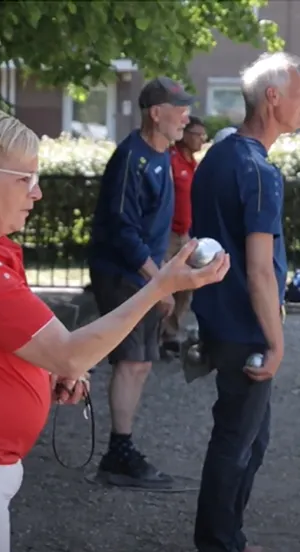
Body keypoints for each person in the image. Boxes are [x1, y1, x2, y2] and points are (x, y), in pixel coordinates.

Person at [0, 107, 229, 552]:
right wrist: (162, 284)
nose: (38, 192)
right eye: (24, 179)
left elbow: (6, 343)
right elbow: (68, 352)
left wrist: (47, 373)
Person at [191, 52, 300, 552]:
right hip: (245, 326)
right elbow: (259, 268)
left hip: (221, 319)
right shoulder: (259, 170)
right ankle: (218, 542)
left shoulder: (220, 155)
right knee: (238, 442)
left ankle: (226, 536)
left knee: (250, 441)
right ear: (273, 97)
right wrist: (276, 343)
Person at [87, 76, 194, 489]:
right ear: (156, 113)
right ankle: (118, 452)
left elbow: (147, 230)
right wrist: (160, 281)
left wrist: (162, 272)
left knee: (143, 362)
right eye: (179, 107)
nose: (186, 114)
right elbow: (123, 231)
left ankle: (122, 447)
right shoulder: (132, 158)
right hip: (122, 274)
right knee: (132, 361)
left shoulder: (161, 154)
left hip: (141, 273)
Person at [160, 115, 207, 354]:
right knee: (163, 285)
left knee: (187, 286)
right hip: (167, 234)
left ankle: (171, 332)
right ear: (186, 135)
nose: (202, 139)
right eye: (198, 134)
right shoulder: (170, 160)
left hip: (186, 234)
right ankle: (160, 335)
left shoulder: (195, 165)